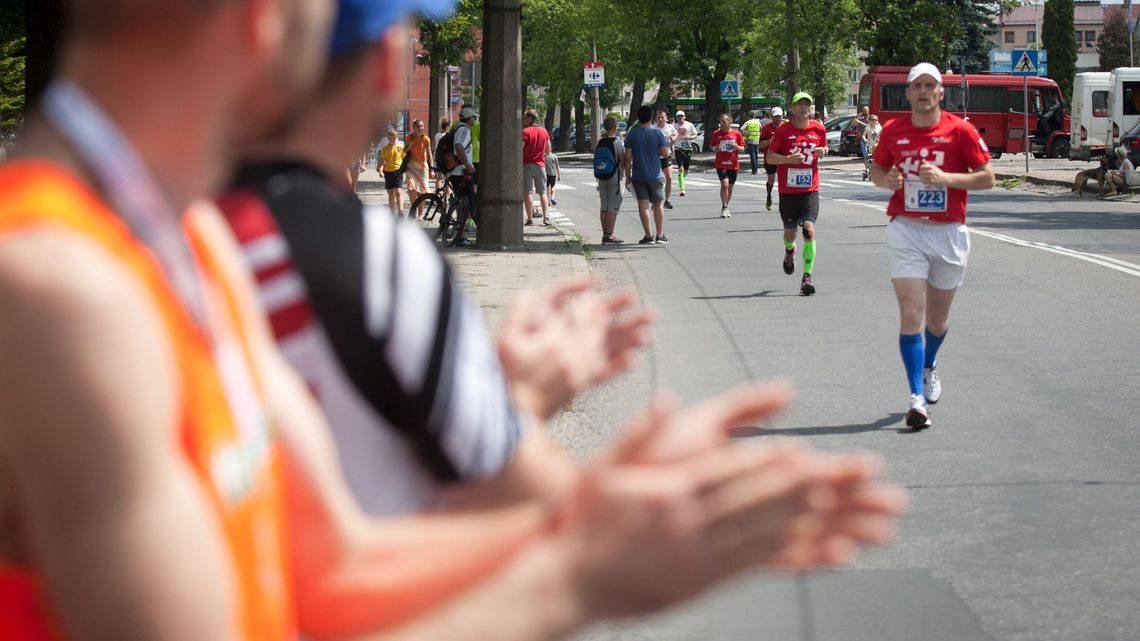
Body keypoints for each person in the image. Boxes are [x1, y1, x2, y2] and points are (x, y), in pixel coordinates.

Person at [0, 1, 905, 639]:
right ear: (262, 18)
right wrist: (577, 574)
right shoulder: (63, 292)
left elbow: (332, 565)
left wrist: (598, 512)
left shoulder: (186, 238)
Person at [870, 62, 995, 430]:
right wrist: (887, 180)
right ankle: (916, 398)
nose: (924, 91)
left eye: (930, 86)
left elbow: (987, 178)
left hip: (949, 232)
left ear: (940, 92)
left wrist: (945, 178)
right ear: (908, 93)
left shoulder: (960, 130)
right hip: (906, 229)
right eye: (917, 86)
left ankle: (929, 365)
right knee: (912, 313)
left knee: (937, 322)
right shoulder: (893, 131)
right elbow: (877, 171)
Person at [767, 92, 827, 296]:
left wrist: (823, 151)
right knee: (790, 233)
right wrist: (788, 160)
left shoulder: (818, 128)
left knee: (809, 230)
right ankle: (789, 250)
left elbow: (823, 148)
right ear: (792, 108)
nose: (803, 108)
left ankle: (807, 277)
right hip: (788, 191)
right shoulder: (783, 131)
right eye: (799, 104)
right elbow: (770, 157)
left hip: (810, 189)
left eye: (807, 104)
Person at [625, 104, 670, 244]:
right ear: (651, 118)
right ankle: (660, 235)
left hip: (638, 174)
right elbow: (665, 153)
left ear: (638, 118)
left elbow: (627, 157)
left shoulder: (632, 134)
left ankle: (648, 236)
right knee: (658, 204)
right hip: (655, 174)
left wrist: (628, 177)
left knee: (643, 204)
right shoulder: (657, 133)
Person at [448, 105, 478, 246]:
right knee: (470, 203)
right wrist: (467, 165)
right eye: (474, 117)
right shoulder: (464, 129)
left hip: (454, 171)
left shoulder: (457, 128)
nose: (475, 120)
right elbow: (459, 146)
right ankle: (460, 237)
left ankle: (456, 231)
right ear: (469, 118)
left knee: (462, 202)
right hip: (461, 172)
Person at [595, 116, 625, 244]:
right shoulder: (617, 142)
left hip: (601, 177)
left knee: (604, 206)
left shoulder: (600, 142)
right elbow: (622, 160)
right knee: (612, 207)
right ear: (616, 127)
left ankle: (605, 235)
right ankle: (610, 235)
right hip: (614, 177)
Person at [710, 113, 745, 218]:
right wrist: (715, 148)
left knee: (730, 187)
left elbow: (742, 148)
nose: (721, 123)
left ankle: (726, 206)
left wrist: (736, 146)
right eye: (720, 121)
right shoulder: (716, 133)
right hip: (721, 163)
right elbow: (711, 145)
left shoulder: (737, 134)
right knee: (724, 184)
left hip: (733, 164)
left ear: (730, 122)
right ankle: (724, 207)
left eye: (724, 121)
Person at [521, 109, 552, 226]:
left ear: (530, 119)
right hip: (541, 166)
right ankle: (546, 217)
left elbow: (521, 148)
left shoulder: (525, 132)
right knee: (543, 192)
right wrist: (540, 155)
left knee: (527, 193)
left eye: (525, 118)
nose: (523, 121)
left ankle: (530, 219)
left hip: (527, 165)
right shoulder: (544, 131)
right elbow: (548, 149)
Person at [404, 119, 434, 220]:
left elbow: (429, 155)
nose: (421, 128)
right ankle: (414, 210)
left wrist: (431, 170)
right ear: (414, 128)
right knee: (411, 189)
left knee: (422, 191)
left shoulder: (426, 139)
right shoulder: (409, 137)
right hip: (411, 165)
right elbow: (405, 151)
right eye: (418, 126)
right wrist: (410, 145)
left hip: (422, 167)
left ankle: (421, 214)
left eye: (422, 126)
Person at [759, 106, 784, 211]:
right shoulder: (766, 128)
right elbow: (760, 144)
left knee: (783, 180)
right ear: (771, 117)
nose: (777, 119)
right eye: (775, 117)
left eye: (779, 116)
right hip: (770, 158)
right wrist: (771, 141)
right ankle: (769, 196)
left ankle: (783, 202)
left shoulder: (785, 127)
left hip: (783, 158)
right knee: (771, 179)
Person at [653, 109, 678, 209]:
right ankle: (655, 200)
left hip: (667, 156)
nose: (660, 119)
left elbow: (676, 133)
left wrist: (674, 138)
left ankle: (667, 200)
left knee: (669, 177)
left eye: (662, 117)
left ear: (666, 118)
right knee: (656, 180)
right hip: (655, 156)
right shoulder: (652, 128)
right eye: (658, 117)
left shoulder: (670, 127)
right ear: (655, 119)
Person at [379, 128, 406, 213]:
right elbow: (382, 161)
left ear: (396, 137)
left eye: (393, 138)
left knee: (398, 192)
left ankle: (400, 211)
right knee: (391, 193)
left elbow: (405, 159)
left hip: (398, 172)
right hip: (388, 172)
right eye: (390, 138)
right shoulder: (385, 149)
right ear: (388, 138)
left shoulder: (400, 147)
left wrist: (406, 169)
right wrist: (380, 170)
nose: (392, 139)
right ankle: (391, 212)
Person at [673, 110, 698, 195]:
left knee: (686, 170)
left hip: (687, 149)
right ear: (676, 118)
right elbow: (670, 136)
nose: (680, 118)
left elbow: (695, 135)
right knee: (681, 168)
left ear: (684, 117)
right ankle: (682, 189)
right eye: (678, 116)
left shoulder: (689, 125)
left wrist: (689, 137)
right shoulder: (674, 126)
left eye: (681, 116)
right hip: (678, 149)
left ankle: (681, 179)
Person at [861, 113, 882, 181]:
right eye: (872, 120)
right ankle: (868, 169)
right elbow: (863, 135)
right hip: (869, 144)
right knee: (868, 157)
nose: (874, 121)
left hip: (877, 144)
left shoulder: (879, 127)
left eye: (875, 120)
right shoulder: (868, 127)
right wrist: (865, 140)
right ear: (870, 120)